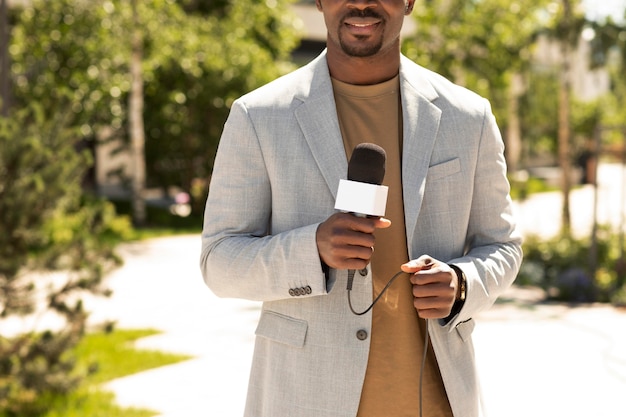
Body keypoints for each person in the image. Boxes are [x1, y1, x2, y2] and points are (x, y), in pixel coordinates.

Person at [199, 0, 522, 415]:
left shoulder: (469, 117)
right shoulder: (258, 116)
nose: (361, 3)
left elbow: (503, 246)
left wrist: (462, 283)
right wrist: (313, 248)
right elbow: (219, 261)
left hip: (435, 400)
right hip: (303, 397)